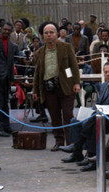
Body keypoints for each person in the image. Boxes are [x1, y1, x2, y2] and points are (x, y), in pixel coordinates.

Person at [60, 61, 109, 170]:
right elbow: (98, 103)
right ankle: (77, 153)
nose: (108, 74)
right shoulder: (104, 85)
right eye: (105, 72)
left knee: (94, 123)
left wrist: (95, 113)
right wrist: (89, 112)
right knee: (75, 120)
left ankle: (89, 155)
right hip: (99, 114)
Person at [32, 22, 81, 151]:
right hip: (48, 88)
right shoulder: (40, 52)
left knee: (68, 115)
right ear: (43, 36)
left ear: (57, 34)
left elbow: (74, 66)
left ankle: (71, 142)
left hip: (66, 86)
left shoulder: (66, 47)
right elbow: (37, 73)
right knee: (54, 116)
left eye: (51, 32)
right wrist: (35, 90)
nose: (49, 35)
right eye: (46, 33)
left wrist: (76, 82)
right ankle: (59, 141)